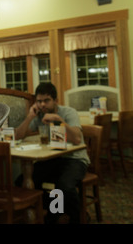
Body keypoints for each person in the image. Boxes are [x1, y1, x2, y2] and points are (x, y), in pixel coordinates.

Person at [15, 82, 89, 224]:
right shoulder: (38, 116)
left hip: (75, 159)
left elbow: (77, 139)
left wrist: (60, 121)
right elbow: (18, 136)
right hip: (53, 159)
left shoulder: (68, 112)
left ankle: (78, 218)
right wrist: (30, 116)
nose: (42, 105)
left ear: (56, 100)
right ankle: (57, 210)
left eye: (46, 100)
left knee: (64, 187)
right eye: (39, 101)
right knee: (22, 183)